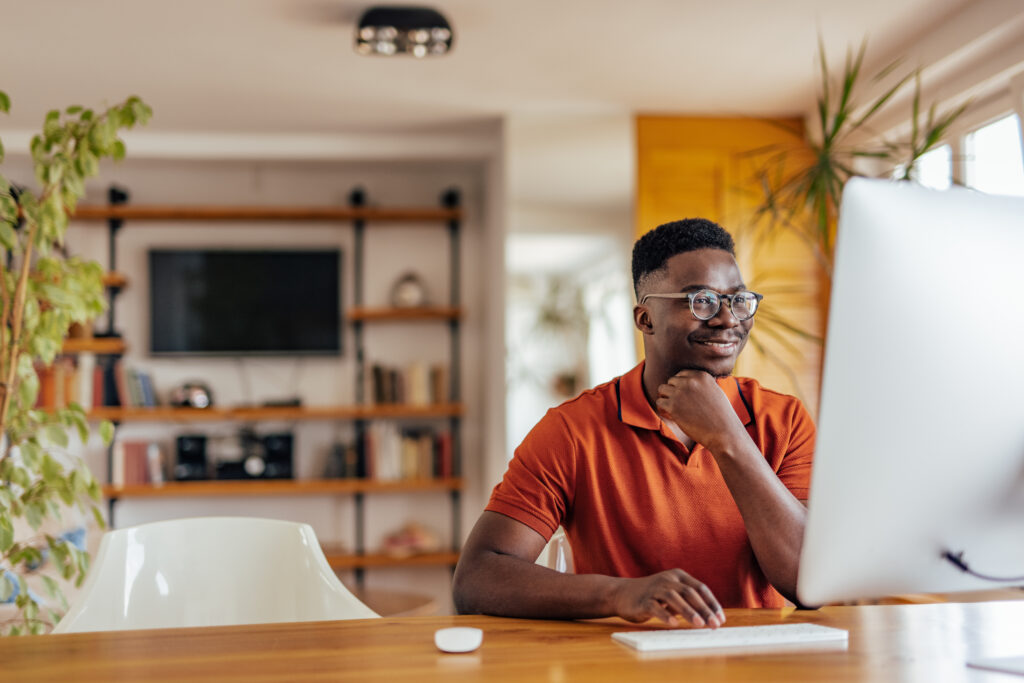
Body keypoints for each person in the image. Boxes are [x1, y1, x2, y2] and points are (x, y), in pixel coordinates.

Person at [452, 218, 815, 629]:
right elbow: (477, 577)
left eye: (738, 300)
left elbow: (807, 581)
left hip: (756, 663)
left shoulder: (785, 421)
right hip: (620, 662)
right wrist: (619, 593)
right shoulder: (571, 431)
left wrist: (726, 436)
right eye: (702, 301)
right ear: (645, 319)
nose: (728, 319)